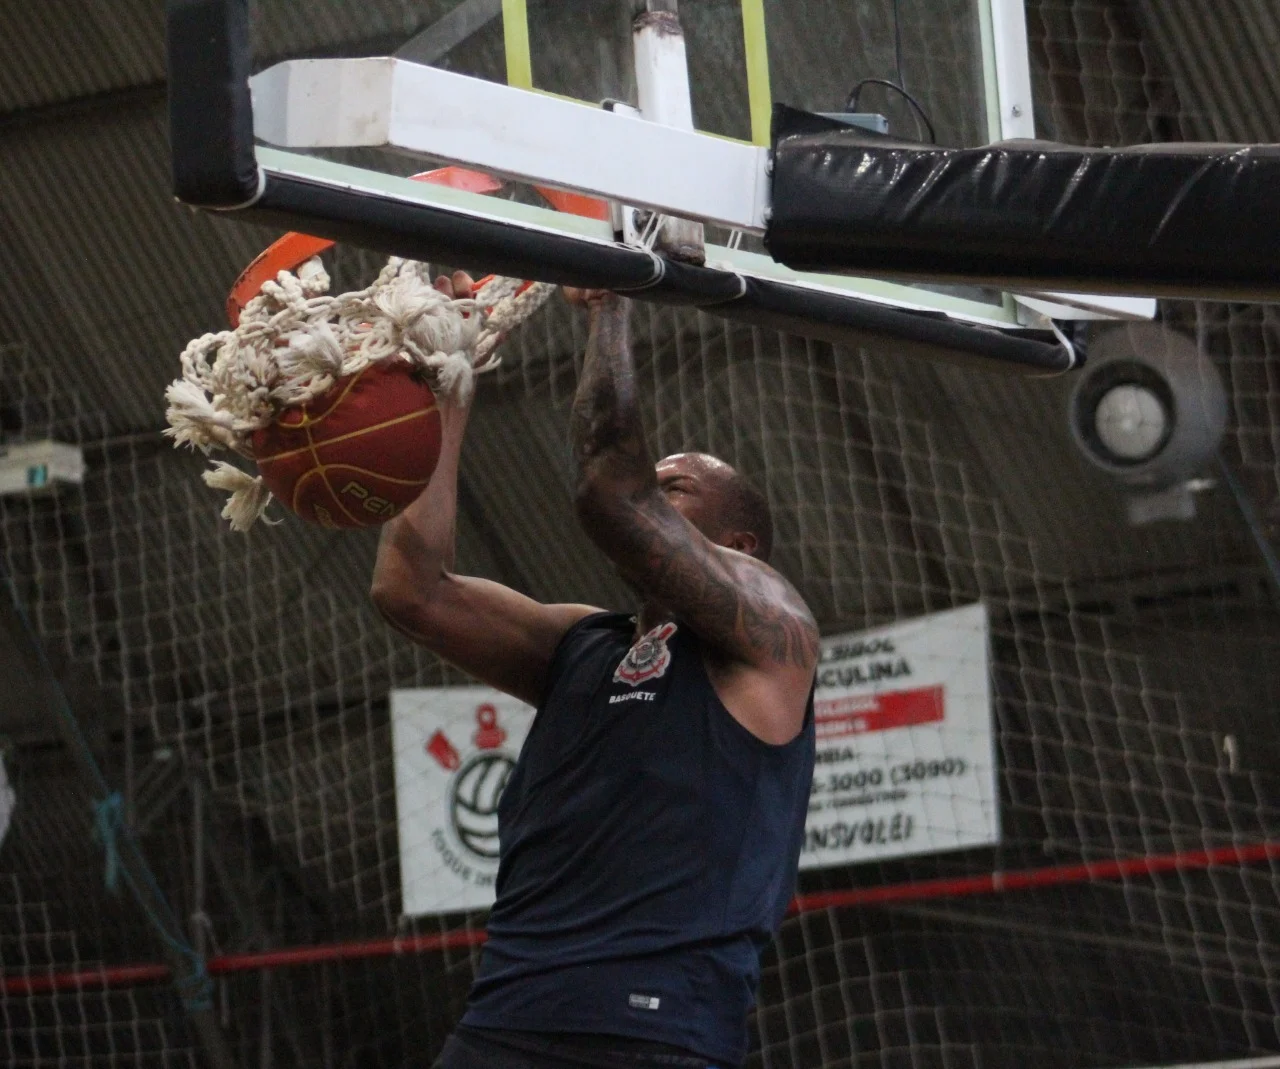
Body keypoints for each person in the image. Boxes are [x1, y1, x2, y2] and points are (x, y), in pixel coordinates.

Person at [371, 273, 820, 1069]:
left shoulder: (773, 628)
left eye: (675, 489)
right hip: (504, 1014)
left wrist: (612, 304)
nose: (656, 494)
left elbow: (613, 494)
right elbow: (413, 591)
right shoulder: (584, 642)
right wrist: (449, 382)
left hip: (652, 1030)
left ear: (741, 547)